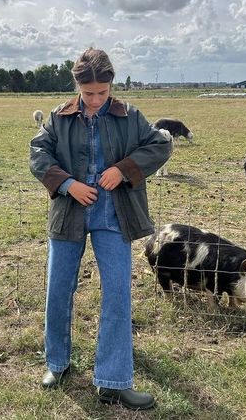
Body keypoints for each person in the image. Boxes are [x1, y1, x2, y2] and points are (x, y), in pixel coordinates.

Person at [29, 48, 172, 410]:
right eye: (88, 93)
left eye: (102, 93)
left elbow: (160, 144)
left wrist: (123, 169)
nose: (94, 101)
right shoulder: (59, 117)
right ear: (76, 86)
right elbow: (38, 154)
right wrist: (66, 184)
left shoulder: (130, 115)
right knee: (58, 288)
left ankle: (112, 380)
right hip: (69, 213)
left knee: (118, 293)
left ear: (111, 86)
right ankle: (57, 365)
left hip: (114, 214)